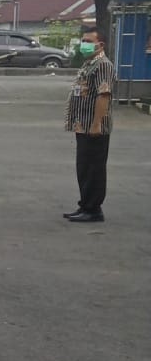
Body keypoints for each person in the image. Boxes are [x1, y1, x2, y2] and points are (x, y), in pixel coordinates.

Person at [63, 27, 115, 223]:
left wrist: (96, 124)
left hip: (94, 127)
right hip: (82, 125)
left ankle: (93, 209)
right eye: (83, 40)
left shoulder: (103, 65)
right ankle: (85, 205)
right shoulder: (89, 63)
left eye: (88, 41)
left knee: (94, 169)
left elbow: (103, 96)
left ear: (100, 45)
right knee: (84, 168)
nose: (84, 44)